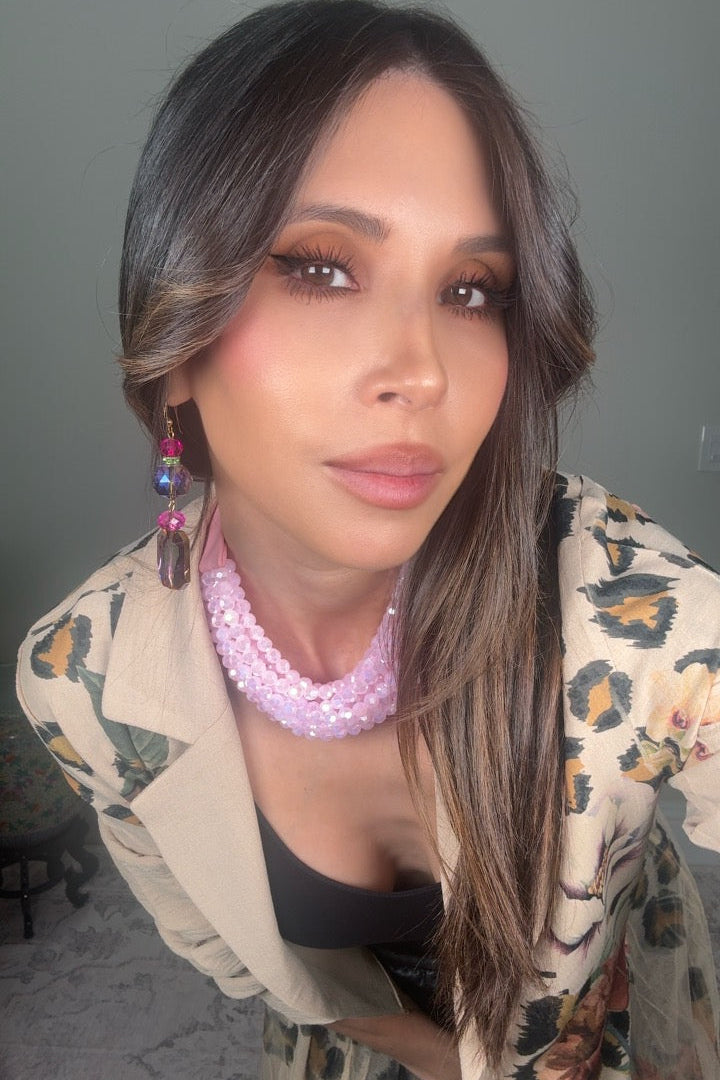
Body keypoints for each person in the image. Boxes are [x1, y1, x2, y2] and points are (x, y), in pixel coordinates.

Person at [15, 1, 720, 1077]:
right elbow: (226, 948)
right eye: (322, 266)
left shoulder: (641, 625)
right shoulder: (79, 681)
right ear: (173, 341)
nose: (424, 370)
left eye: (471, 289)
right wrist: (418, 1053)